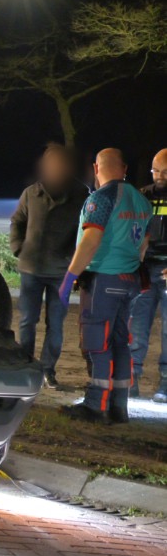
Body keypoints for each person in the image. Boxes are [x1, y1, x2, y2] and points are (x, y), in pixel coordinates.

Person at [58, 148, 152, 424]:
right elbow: (144, 245)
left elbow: (91, 240)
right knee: (121, 343)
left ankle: (95, 406)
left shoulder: (101, 198)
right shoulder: (141, 201)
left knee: (97, 343)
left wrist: (69, 278)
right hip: (130, 278)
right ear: (124, 169)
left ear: (96, 168)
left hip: (104, 278)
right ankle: (119, 407)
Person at [9, 144, 85, 388]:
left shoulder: (81, 195)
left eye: (58, 164)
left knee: (56, 325)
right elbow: (17, 221)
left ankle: (47, 370)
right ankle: (25, 366)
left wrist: (73, 259)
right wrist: (18, 247)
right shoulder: (31, 193)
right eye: (49, 164)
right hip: (31, 269)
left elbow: (85, 232)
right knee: (27, 321)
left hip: (62, 273)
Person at [129, 148, 167, 403]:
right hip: (143, 270)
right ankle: (132, 379)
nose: (159, 176)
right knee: (137, 326)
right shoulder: (142, 196)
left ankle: (165, 383)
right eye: (156, 171)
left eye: (165, 172)